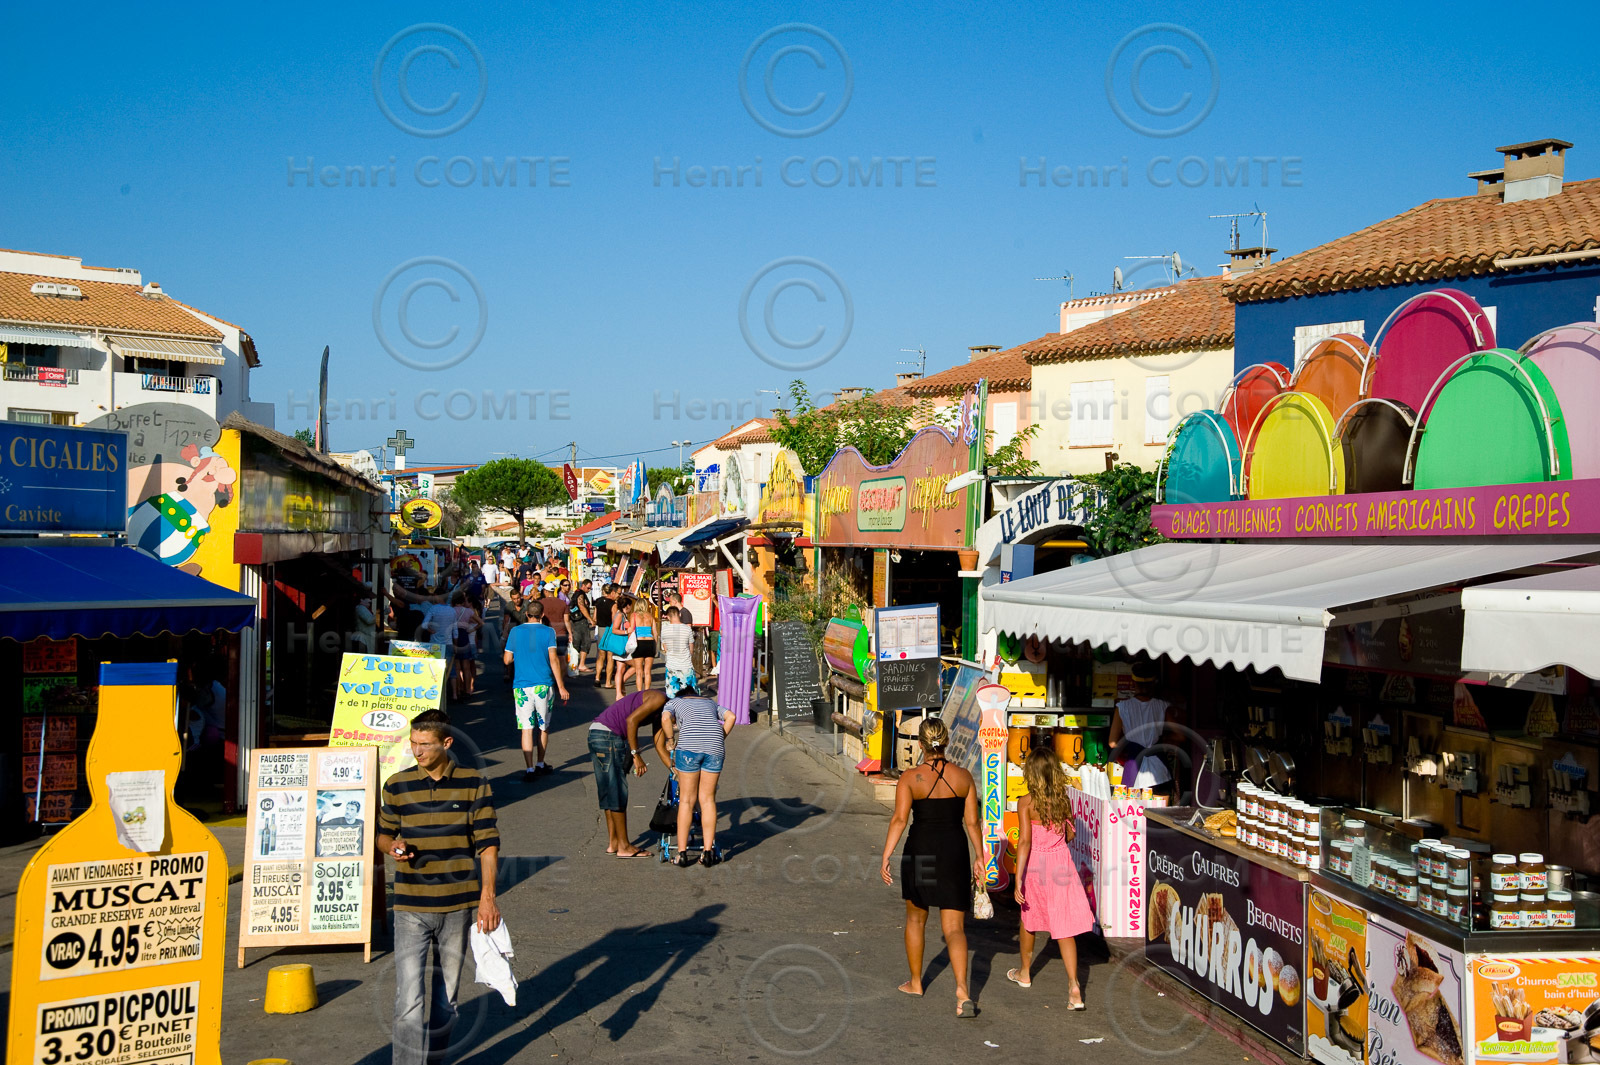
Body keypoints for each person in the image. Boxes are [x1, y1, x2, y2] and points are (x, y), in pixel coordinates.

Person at [377, 709, 500, 1065]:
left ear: (446, 743)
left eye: (425, 745)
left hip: (457, 906)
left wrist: (487, 899)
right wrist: (392, 847)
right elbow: (383, 836)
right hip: (410, 906)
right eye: (413, 743)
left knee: (447, 1002)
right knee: (409, 1002)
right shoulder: (397, 785)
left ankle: (434, 1061)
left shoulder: (474, 783)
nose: (417, 751)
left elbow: (488, 844)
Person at [880, 717, 984, 1018]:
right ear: (947, 741)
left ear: (921, 745)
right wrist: (979, 856)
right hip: (954, 853)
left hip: (921, 853)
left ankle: (916, 982)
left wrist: (886, 854)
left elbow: (899, 820)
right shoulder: (964, 777)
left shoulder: (910, 778)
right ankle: (962, 990)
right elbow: (973, 823)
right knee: (954, 928)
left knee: (916, 919)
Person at [1008, 748, 1092, 1005]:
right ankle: (1074, 987)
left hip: (1037, 863)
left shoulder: (1026, 802)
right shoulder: (1062, 798)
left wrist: (1019, 877)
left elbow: (1024, 842)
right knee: (1065, 926)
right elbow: (1070, 835)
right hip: (1061, 862)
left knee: (1028, 919)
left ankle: (1024, 972)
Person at [588, 690, 671, 857]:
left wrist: (676, 770)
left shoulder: (660, 713)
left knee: (609, 790)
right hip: (608, 736)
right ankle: (624, 846)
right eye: (675, 723)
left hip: (598, 733)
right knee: (617, 790)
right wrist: (636, 754)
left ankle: (614, 842)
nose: (673, 727)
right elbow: (631, 720)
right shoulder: (659, 698)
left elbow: (659, 745)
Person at [663, 685, 735, 867]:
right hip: (715, 748)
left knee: (687, 800)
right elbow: (731, 717)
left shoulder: (675, 702)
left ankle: (682, 854)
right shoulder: (711, 703)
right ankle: (708, 852)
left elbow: (665, 718)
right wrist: (719, 737)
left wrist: (670, 740)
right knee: (708, 799)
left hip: (688, 748)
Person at [503, 600, 570, 778]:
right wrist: (561, 685)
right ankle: (540, 763)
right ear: (542, 615)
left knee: (526, 728)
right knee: (543, 726)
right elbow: (554, 659)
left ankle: (529, 768)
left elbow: (507, 660)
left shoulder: (515, 632)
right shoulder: (549, 632)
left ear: (526, 614)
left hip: (522, 686)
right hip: (543, 684)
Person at [1109, 662, 1176, 793]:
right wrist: (1163, 739)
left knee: (1132, 811)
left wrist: (1127, 745)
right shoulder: (1162, 706)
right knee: (1160, 811)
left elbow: (1112, 743)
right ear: (1153, 684)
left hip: (1133, 767)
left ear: (1133, 683)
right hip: (1159, 770)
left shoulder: (1122, 708)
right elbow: (1180, 735)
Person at [450, 590, 481, 699]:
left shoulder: (451, 611)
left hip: (454, 637)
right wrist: (471, 629)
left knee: (457, 667)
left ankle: (459, 689)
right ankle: (468, 690)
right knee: (466, 667)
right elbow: (481, 622)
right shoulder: (468, 611)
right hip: (465, 637)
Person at [659, 606, 696, 697]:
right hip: (686, 666)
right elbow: (691, 648)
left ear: (668, 617)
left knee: (672, 696)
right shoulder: (687, 629)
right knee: (689, 695)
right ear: (679, 614)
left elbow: (665, 648)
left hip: (672, 666)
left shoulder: (664, 630)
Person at [605, 594, 636, 699]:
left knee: (620, 669)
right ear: (626, 605)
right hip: (621, 645)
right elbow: (614, 629)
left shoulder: (622, 615)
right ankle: (621, 684)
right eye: (630, 606)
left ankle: (619, 692)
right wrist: (627, 631)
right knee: (637, 665)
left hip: (620, 646)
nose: (630, 608)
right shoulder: (620, 615)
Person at [624, 597, 656, 696]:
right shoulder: (650, 616)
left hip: (639, 642)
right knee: (647, 671)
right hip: (650, 643)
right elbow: (655, 633)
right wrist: (655, 645)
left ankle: (639, 693)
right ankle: (647, 692)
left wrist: (629, 645)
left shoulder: (634, 616)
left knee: (639, 671)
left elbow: (631, 631)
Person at [538, 582, 571, 681]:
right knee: (561, 659)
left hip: (546, 634)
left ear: (545, 591)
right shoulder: (562, 603)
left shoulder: (540, 603)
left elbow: (539, 620)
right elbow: (566, 620)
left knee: (546, 659)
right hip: (561, 633)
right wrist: (570, 633)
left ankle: (548, 679)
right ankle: (560, 681)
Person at [568, 579, 596, 676]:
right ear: (583, 585)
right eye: (588, 588)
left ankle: (577, 664)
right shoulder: (580, 594)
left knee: (579, 642)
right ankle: (581, 664)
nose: (589, 590)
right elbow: (581, 606)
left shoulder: (577, 593)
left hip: (576, 621)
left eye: (590, 588)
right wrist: (590, 619)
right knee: (585, 641)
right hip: (580, 621)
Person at [593, 584, 618, 686]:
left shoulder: (598, 601)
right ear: (612, 592)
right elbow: (614, 620)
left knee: (601, 655)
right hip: (609, 630)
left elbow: (594, 617)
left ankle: (597, 678)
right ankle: (608, 682)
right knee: (610, 656)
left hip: (600, 629)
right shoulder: (613, 604)